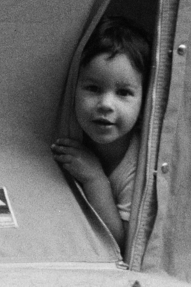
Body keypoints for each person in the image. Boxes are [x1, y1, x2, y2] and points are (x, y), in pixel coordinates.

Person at [50, 16, 150, 252]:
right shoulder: (63, 130)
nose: (106, 104)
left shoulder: (137, 163)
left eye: (123, 92)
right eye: (93, 88)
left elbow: (122, 245)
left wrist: (95, 179)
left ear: (145, 101)